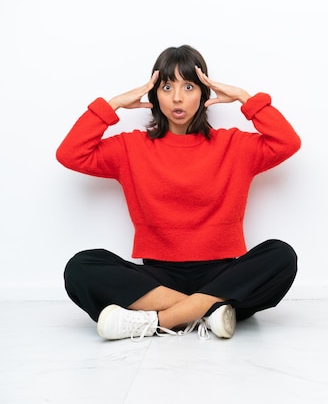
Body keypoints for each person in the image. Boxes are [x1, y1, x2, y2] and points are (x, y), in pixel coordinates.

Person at [56, 45, 301, 341]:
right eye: (166, 86)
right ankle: (210, 311)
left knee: (281, 256)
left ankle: (158, 321)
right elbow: (70, 154)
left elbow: (287, 143)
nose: (177, 97)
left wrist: (244, 99)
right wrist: (114, 105)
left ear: (204, 93)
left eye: (189, 86)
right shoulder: (131, 148)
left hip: (222, 276)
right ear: (154, 95)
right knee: (81, 267)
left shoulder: (235, 146)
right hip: (158, 280)